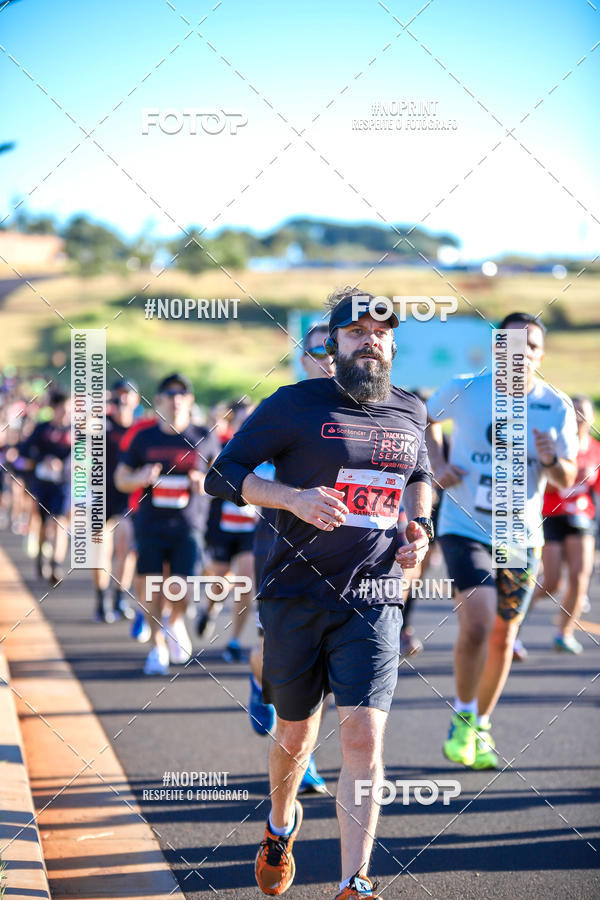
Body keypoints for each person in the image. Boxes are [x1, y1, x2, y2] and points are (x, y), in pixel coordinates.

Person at [205, 288, 433, 899]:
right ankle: (280, 827)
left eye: (380, 332)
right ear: (331, 343)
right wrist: (293, 498)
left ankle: (353, 881)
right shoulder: (293, 405)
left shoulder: (411, 412)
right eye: (355, 331)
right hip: (295, 594)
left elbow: (419, 480)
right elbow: (220, 475)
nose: (369, 340)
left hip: (375, 595)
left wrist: (421, 529)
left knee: (362, 735)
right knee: (295, 735)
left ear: (392, 344)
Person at [426, 312, 578, 771]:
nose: (522, 354)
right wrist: (437, 464)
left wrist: (552, 460)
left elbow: (566, 481)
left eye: (531, 346)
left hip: (518, 533)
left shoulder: (555, 405)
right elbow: (424, 420)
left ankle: (480, 724)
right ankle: (462, 715)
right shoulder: (465, 387)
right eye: (513, 346)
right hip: (465, 523)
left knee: (504, 635)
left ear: (540, 355)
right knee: (477, 619)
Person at [248, 324, 333, 795]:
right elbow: (237, 472)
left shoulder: (364, 407)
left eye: (331, 349)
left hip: (341, 556)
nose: (326, 357)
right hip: (280, 543)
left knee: (325, 659)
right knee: (271, 650)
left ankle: (305, 752)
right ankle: (263, 689)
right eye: (316, 351)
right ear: (302, 359)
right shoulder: (284, 407)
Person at [114, 373, 220, 675]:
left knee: (182, 587)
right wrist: (140, 478)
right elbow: (120, 478)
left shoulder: (204, 435)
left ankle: (174, 621)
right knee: (149, 588)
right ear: (158, 400)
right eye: (169, 394)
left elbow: (222, 476)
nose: (175, 400)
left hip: (189, 524)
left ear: (190, 400)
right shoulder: (144, 437)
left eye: (181, 394)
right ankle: (157, 647)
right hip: (150, 523)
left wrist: (206, 482)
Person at [530, 395, 600, 654]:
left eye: (585, 412)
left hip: (582, 519)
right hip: (552, 516)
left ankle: (564, 633)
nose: (581, 416)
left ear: (592, 417)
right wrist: (566, 478)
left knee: (581, 578)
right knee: (552, 582)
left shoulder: (595, 449)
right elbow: (540, 481)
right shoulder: (556, 445)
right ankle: (518, 611)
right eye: (576, 411)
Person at [93, 378, 139, 623]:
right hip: (100, 494)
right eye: (119, 394)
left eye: (127, 394)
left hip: (128, 495)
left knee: (127, 546)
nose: (123, 398)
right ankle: (101, 601)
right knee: (101, 547)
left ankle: (120, 597)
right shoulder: (101, 425)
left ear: (136, 400)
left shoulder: (141, 430)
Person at [20, 389, 71, 585]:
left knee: (59, 522)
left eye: (69, 410)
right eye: (63, 410)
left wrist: (69, 465)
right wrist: (44, 459)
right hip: (42, 484)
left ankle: (56, 565)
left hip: (63, 484)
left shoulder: (75, 431)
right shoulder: (42, 429)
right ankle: (41, 555)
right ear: (54, 409)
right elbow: (25, 451)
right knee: (42, 523)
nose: (66, 414)